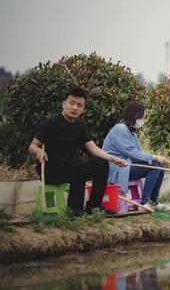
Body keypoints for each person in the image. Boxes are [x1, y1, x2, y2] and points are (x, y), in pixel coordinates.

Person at [28, 87, 128, 215]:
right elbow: (32, 146)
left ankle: (94, 206)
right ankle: (75, 208)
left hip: (71, 167)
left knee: (101, 163)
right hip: (51, 168)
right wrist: (39, 152)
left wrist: (113, 159)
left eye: (79, 105)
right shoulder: (51, 122)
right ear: (64, 104)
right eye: (72, 103)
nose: (75, 108)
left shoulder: (80, 126)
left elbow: (93, 148)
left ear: (83, 109)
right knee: (79, 165)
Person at [103, 101, 169, 211]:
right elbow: (132, 153)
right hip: (117, 168)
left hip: (126, 165)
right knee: (155, 164)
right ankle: (144, 202)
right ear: (134, 115)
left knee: (159, 165)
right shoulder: (120, 129)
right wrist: (154, 157)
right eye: (141, 117)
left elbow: (139, 153)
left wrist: (155, 158)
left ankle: (154, 201)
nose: (142, 120)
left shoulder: (132, 133)